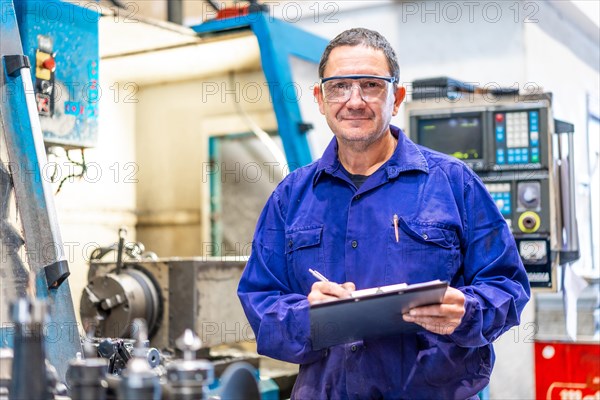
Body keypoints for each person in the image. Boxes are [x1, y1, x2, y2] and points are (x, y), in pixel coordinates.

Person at [238, 28, 530, 399]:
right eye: (339, 86)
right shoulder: (290, 197)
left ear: (397, 98)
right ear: (320, 97)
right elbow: (260, 299)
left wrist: (468, 311)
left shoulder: (454, 184)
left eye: (371, 85)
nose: (354, 100)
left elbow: (508, 286)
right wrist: (307, 316)